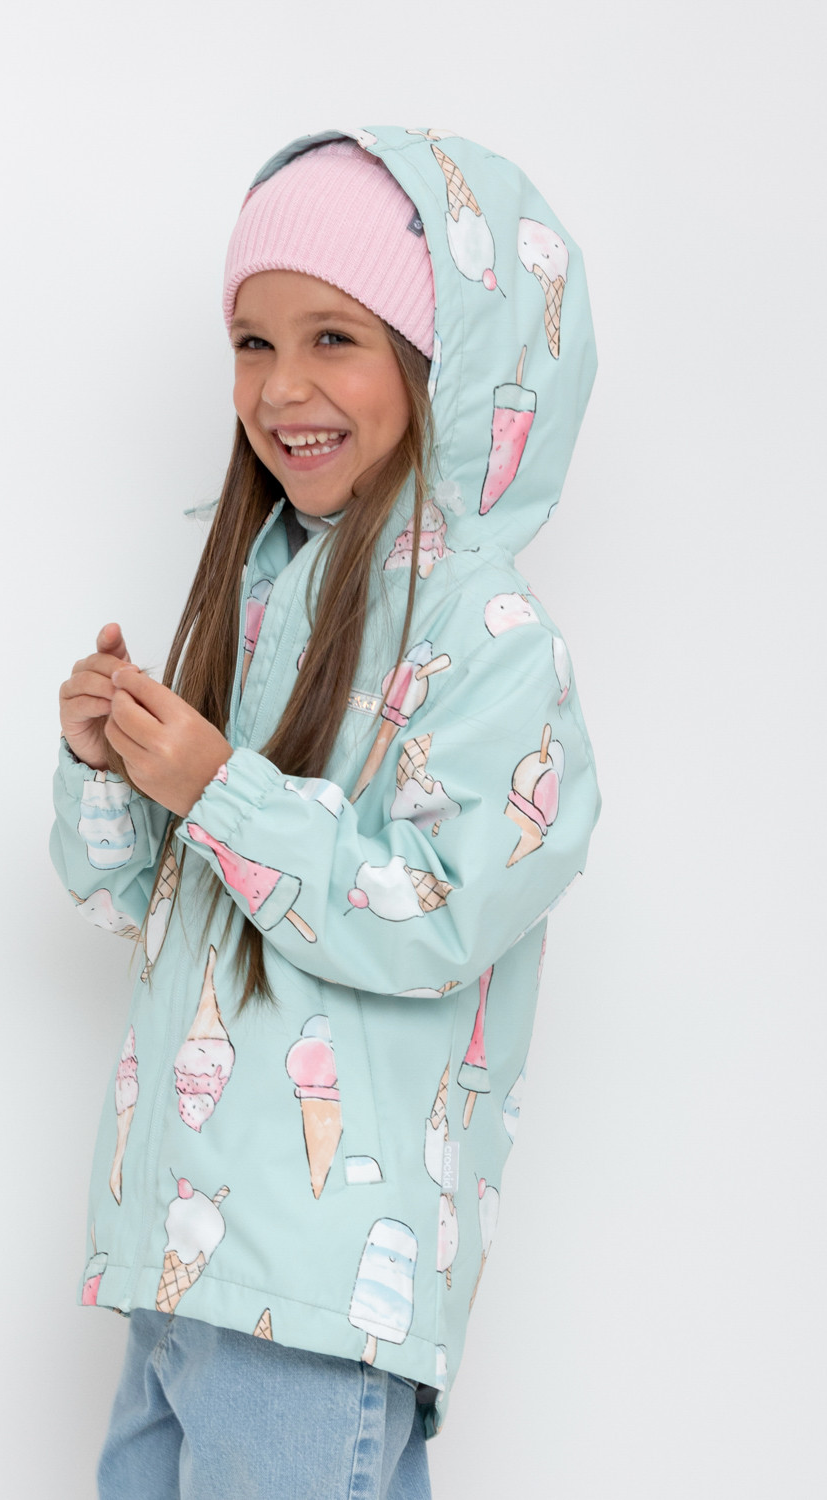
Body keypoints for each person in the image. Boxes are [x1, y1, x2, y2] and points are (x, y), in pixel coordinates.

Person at [51, 127, 599, 1500]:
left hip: (314, 1290)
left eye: (333, 338)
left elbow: (437, 916)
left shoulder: (490, 634)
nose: (282, 386)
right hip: (188, 1266)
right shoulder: (263, 593)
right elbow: (162, 913)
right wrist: (115, 774)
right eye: (252, 341)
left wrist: (216, 788)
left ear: (441, 363)